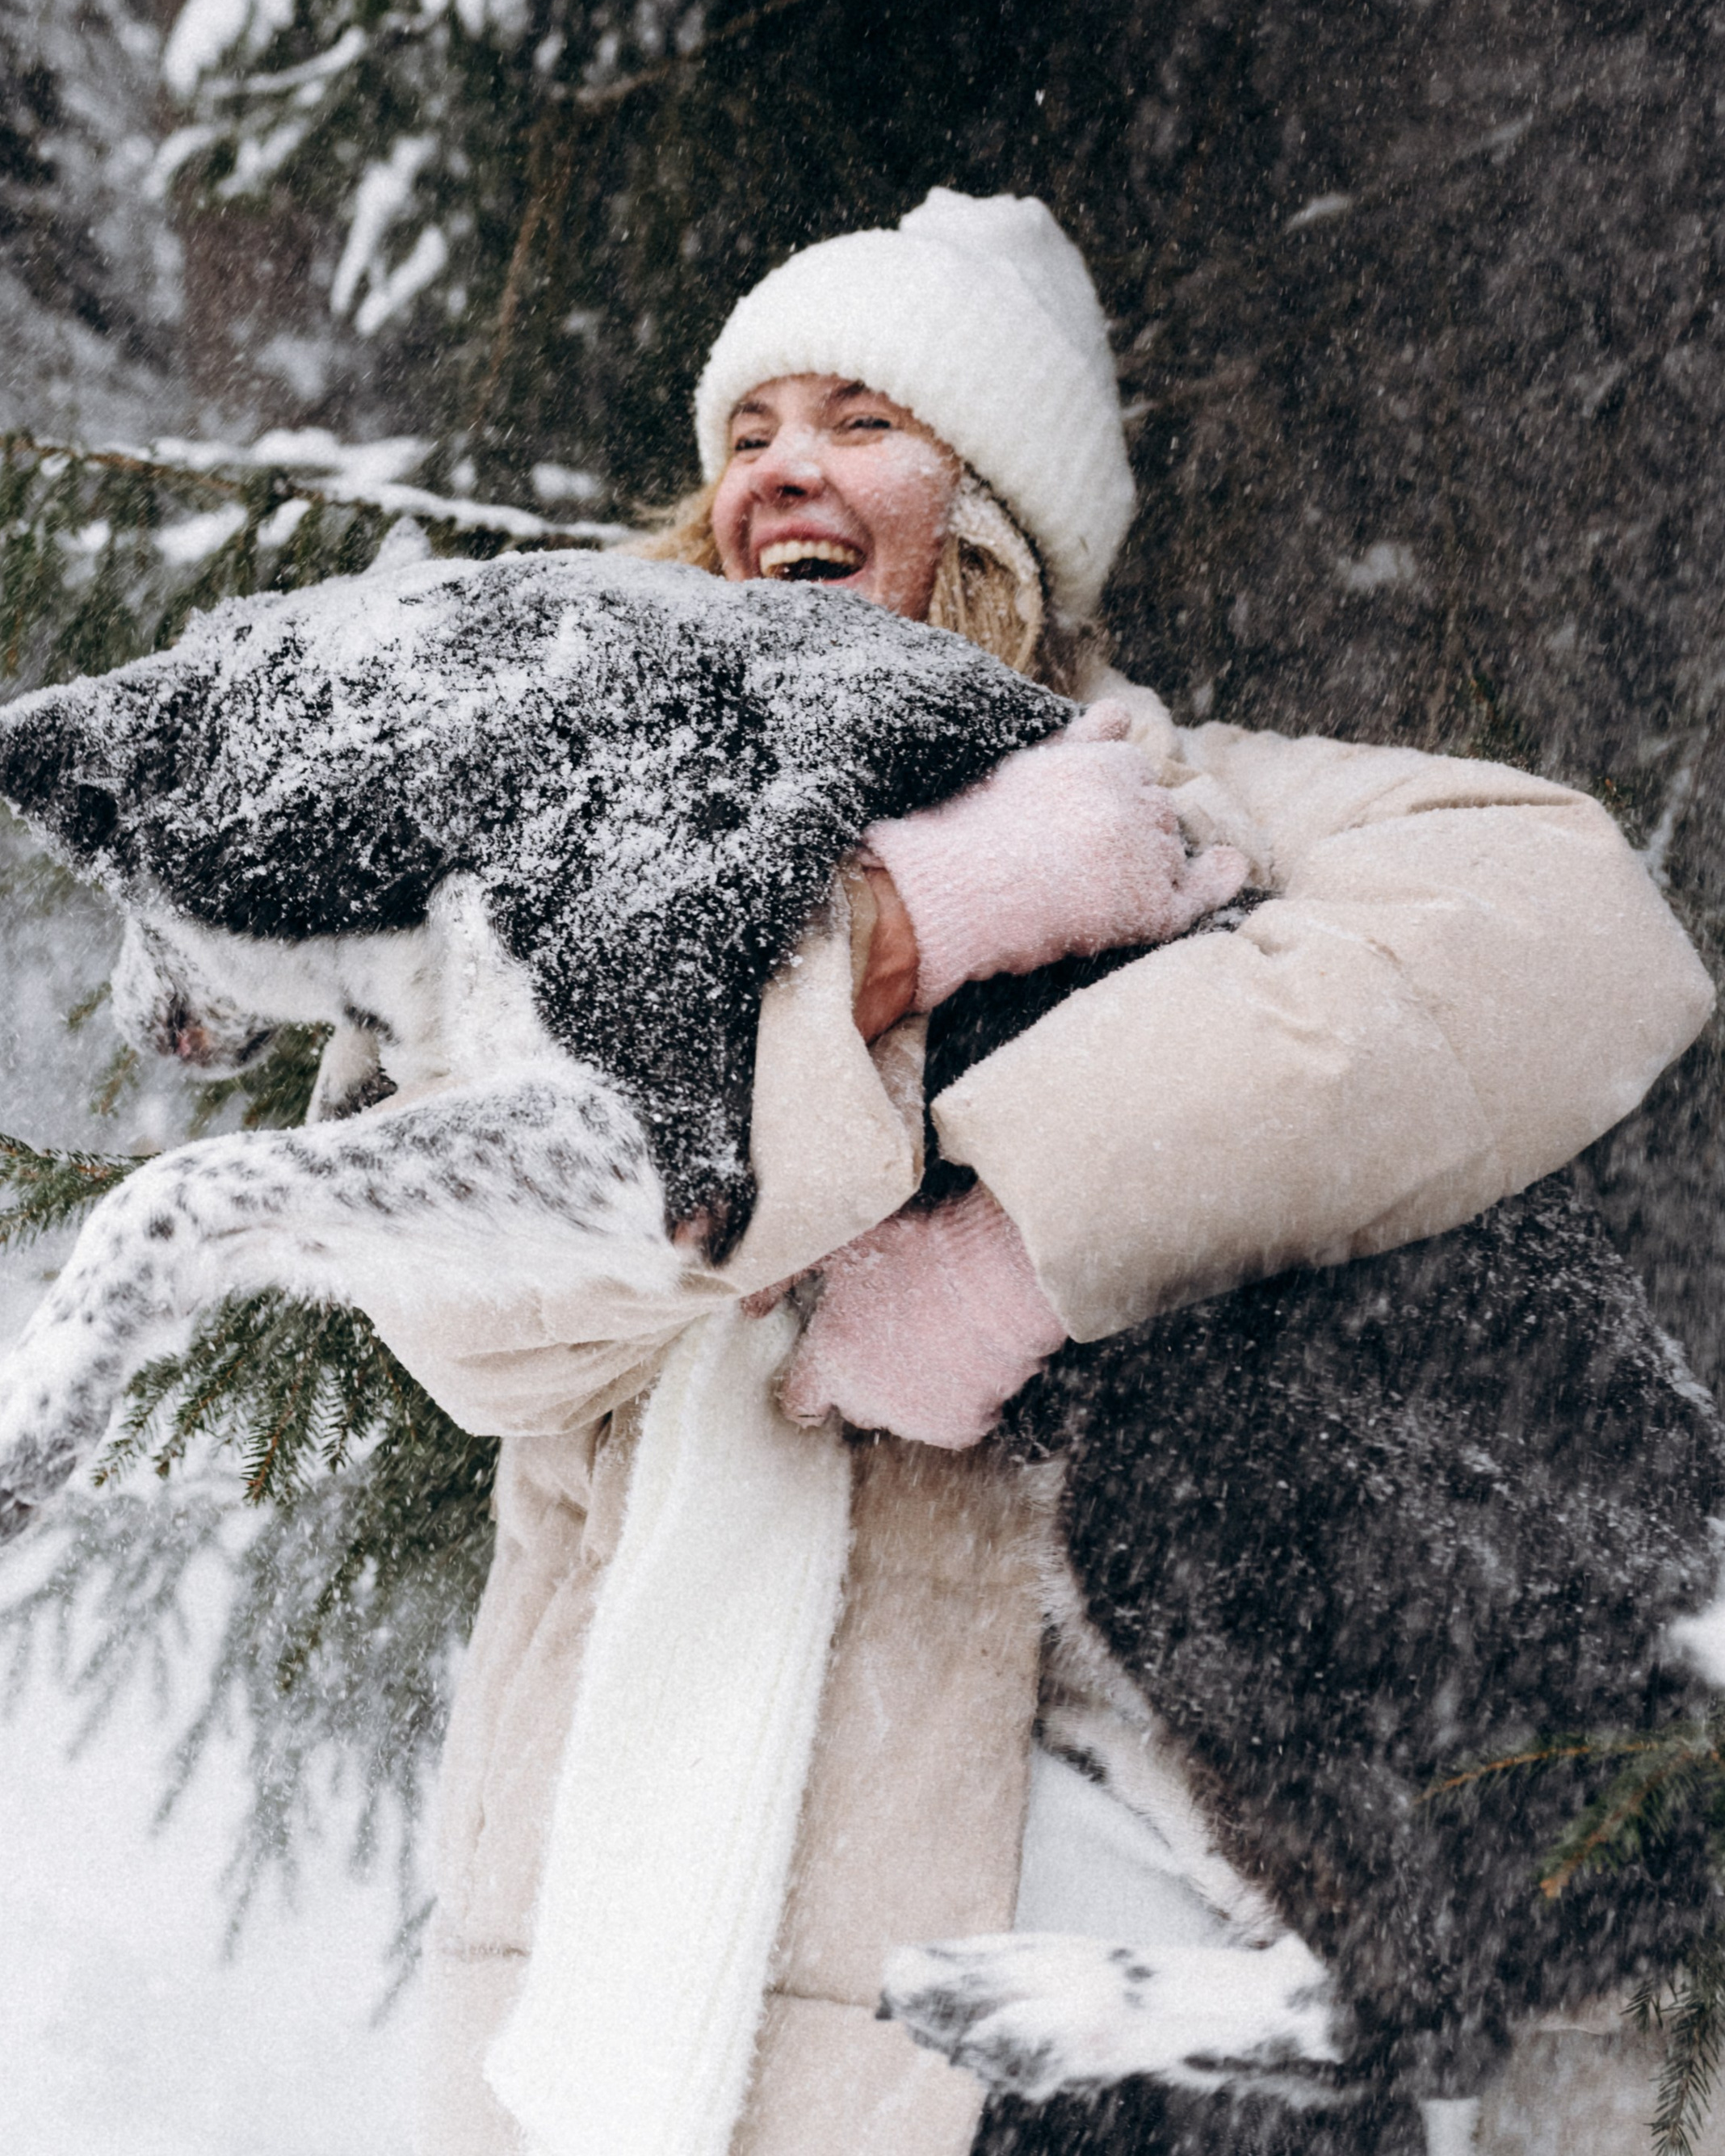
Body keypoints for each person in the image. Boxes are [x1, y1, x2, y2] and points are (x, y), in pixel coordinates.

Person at [357, 188, 1713, 2156]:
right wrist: (905, 927)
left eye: (859, 419)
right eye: (745, 433)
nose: (780, 471)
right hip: (710, 1973)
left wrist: (1021, 1247)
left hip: (1165, 1953)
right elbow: (461, 1298)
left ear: (991, 506)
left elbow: (1585, 930)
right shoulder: (550, 852)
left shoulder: (1179, 802)